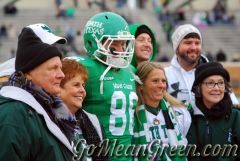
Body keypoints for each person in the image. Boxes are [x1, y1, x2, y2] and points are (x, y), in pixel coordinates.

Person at [70, 12, 137, 161]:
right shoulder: (86, 68)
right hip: (98, 154)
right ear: (93, 43)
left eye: (123, 43)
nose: (120, 50)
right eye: (114, 44)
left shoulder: (130, 71)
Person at [0, 24, 73, 160]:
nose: (62, 75)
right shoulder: (14, 114)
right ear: (29, 73)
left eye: (60, 68)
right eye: (53, 68)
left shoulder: (53, 106)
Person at [164, 24, 239, 114]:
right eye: (188, 43)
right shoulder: (165, 75)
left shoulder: (215, 74)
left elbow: (234, 106)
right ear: (176, 48)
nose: (193, 47)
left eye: (197, 43)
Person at [134, 61, 191, 161]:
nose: (161, 86)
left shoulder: (177, 111)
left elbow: (181, 145)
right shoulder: (132, 115)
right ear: (141, 85)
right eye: (155, 81)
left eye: (163, 81)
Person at [187, 62, 240, 161]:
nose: (216, 88)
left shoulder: (236, 116)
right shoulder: (188, 117)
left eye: (220, 83)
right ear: (198, 88)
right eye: (210, 83)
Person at [60, 59, 107, 160]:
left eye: (83, 85)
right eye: (76, 85)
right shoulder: (45, 120)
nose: (83, 91)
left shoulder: (93, 121)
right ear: (58, 87)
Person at [0, 23, 67, 85]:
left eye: (54, 45)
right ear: (30, 46)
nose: (52, 50)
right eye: (48, 45)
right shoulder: (9, 74)